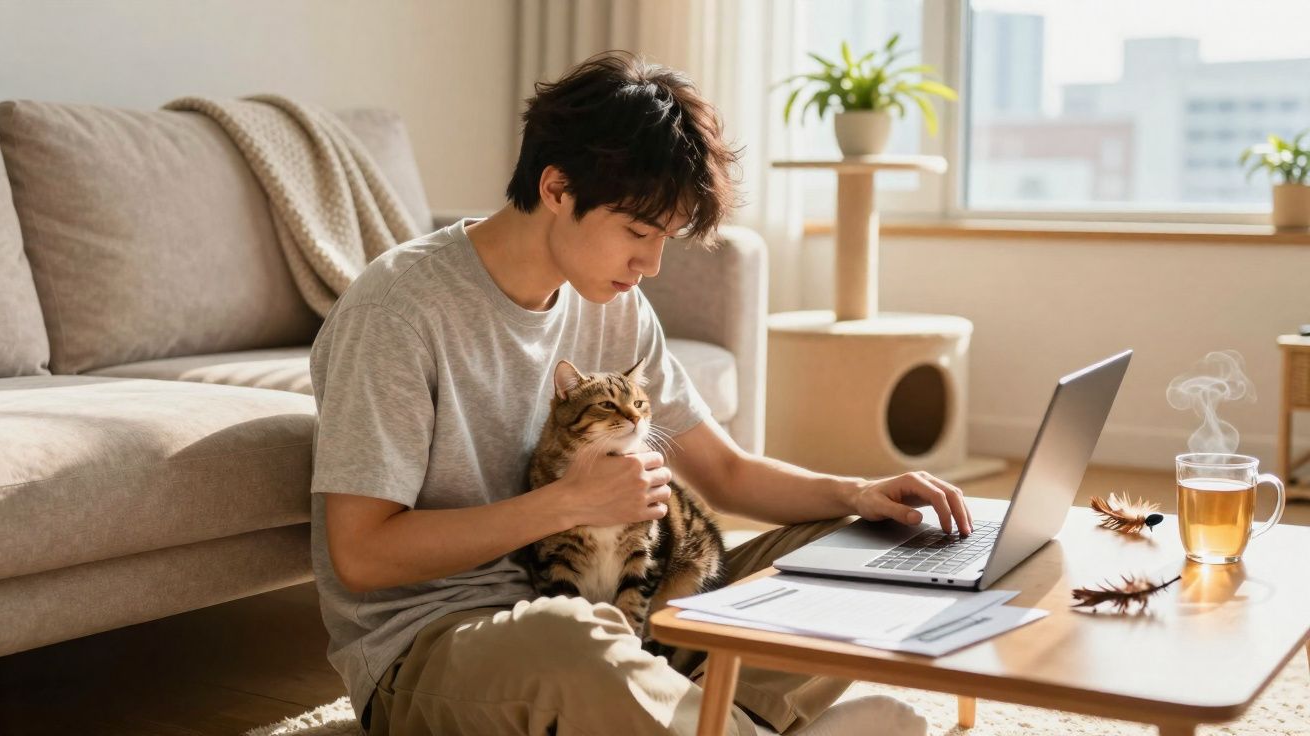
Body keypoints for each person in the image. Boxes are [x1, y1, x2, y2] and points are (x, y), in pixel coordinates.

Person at [309, 50, 972, 736]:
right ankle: (740, 719)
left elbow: (726, 471)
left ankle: (703, 719)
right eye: (637, 232)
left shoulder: (612, 304)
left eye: (665, 239)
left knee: (867, 549)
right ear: (559, 188)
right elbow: (363, 556)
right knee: (574, 639)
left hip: (623, 623)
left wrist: (857, 494)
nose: (650, 265)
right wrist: (564, 503)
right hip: (438, 647)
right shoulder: (398, 310)